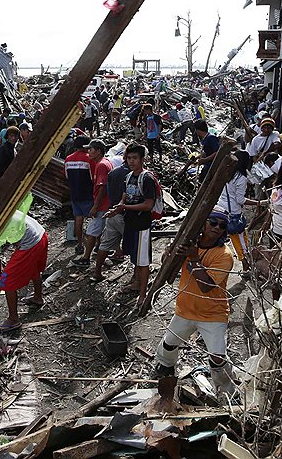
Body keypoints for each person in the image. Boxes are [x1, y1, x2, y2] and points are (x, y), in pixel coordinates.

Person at [154, 211, 235, 395]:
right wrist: (169, 254)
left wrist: (193, 258)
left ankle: (228, 391)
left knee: (217, 359)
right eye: (213, 223)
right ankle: (166, 366)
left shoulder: (224, 255)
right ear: (204, 224)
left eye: (221, 226)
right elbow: (168, 268)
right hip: (185, 310)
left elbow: (206, 286)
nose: (216, 228)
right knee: (169, 345)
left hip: (212, 314)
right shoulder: (189, 245)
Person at [105, 144, 157, 307]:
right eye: (129, 158)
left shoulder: (147, 178)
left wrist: (124, 207)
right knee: (134, 256)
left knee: (143, 260)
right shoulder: (128, 177)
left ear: (142, 159)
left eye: (135, 158)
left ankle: (143, 294)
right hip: (130, 223)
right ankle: (136, 284)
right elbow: (124, 198)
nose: (132, 161)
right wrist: (116, 209)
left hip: (142, 225)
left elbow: (148, 205)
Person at [73, 140, 113, 267]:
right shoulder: (105, 163)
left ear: (98, 151)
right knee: (102, 231)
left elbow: (102, 187)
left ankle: (86, 258)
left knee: (91, 232)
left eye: (90, 149)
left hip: (102, 205)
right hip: (106, 204)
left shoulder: (101, 165)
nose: (88, 152)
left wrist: (95, 206)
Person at [216, 151, 255, 259]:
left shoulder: (227, 173)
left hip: (221, 207)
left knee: (231, 237)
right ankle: (245, 261)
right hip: (234, 211)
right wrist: (258, 203)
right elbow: (240, 200)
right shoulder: (241, 178)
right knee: (241, 240)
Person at [65, 137, 94, 254]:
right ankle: (96, 244)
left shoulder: (68, 159)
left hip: (74, 193)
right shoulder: (89, 159)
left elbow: (67, 176)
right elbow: (93, 178)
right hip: (87, 193)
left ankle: (80, 244)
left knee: (78, 219)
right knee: (94, 220)